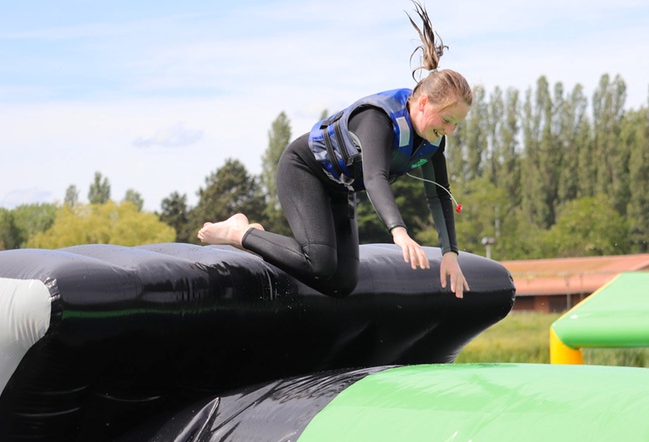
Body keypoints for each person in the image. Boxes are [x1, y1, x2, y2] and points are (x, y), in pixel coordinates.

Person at [198, 1, 472, 299]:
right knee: (319, 262)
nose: (449, 131)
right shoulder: (378, 119)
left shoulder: (432, 143)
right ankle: (238, 232)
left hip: (339, 189)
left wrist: (450, 253)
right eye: (446, 120)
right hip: (304, 170)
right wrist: (399, 231)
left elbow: (439, 193)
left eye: (456, 125)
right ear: (422, 104)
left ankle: (254, 236)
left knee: (342, 283)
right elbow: (375, 178)